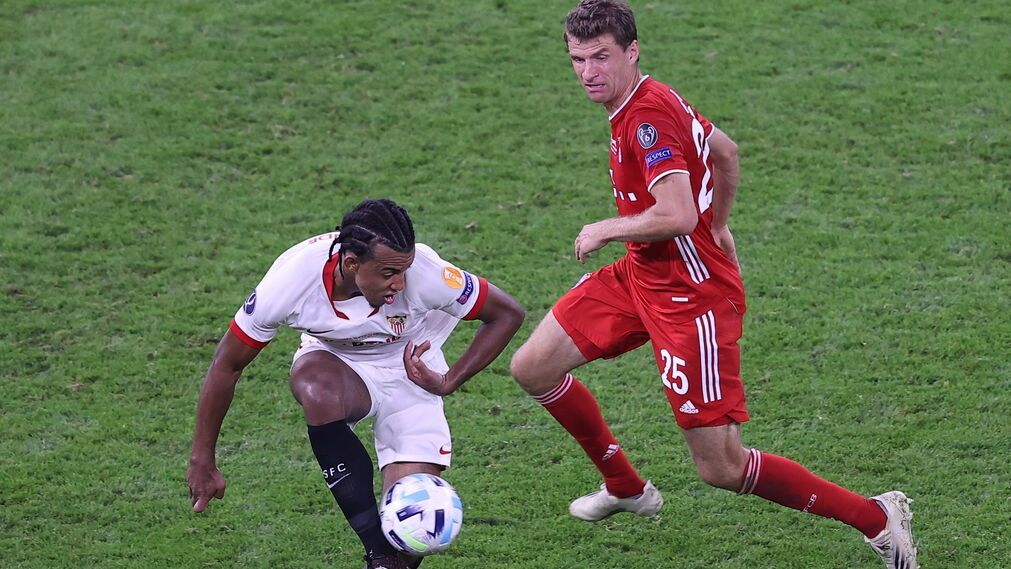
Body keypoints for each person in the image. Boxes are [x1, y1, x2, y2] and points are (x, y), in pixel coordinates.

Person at [508, 2, 917, 568]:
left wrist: (607, 227)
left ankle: (877, 518)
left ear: (632, 51)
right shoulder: (653, 98)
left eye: (601, 56)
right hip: (640, 275)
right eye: (577, 59)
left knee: (722, 468)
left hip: (690, 298)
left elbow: (674, 214)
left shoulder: (646, 119)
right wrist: (719, 223)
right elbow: (725, 152)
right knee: (533, 367)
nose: (587, 72)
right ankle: (626, 487)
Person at [186, 199, 525, 569]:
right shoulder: (291, 282)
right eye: (388, 273)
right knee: (317, 390)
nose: (400, 282)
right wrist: (202, 458)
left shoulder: (426, 273)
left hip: (413, 373)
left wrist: (448, 381)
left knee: (417, 528)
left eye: (404, 270)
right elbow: (227, 364)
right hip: (337, 364)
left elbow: (507, 314)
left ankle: (390, 559)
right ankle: (376, 550)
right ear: (351, 264)